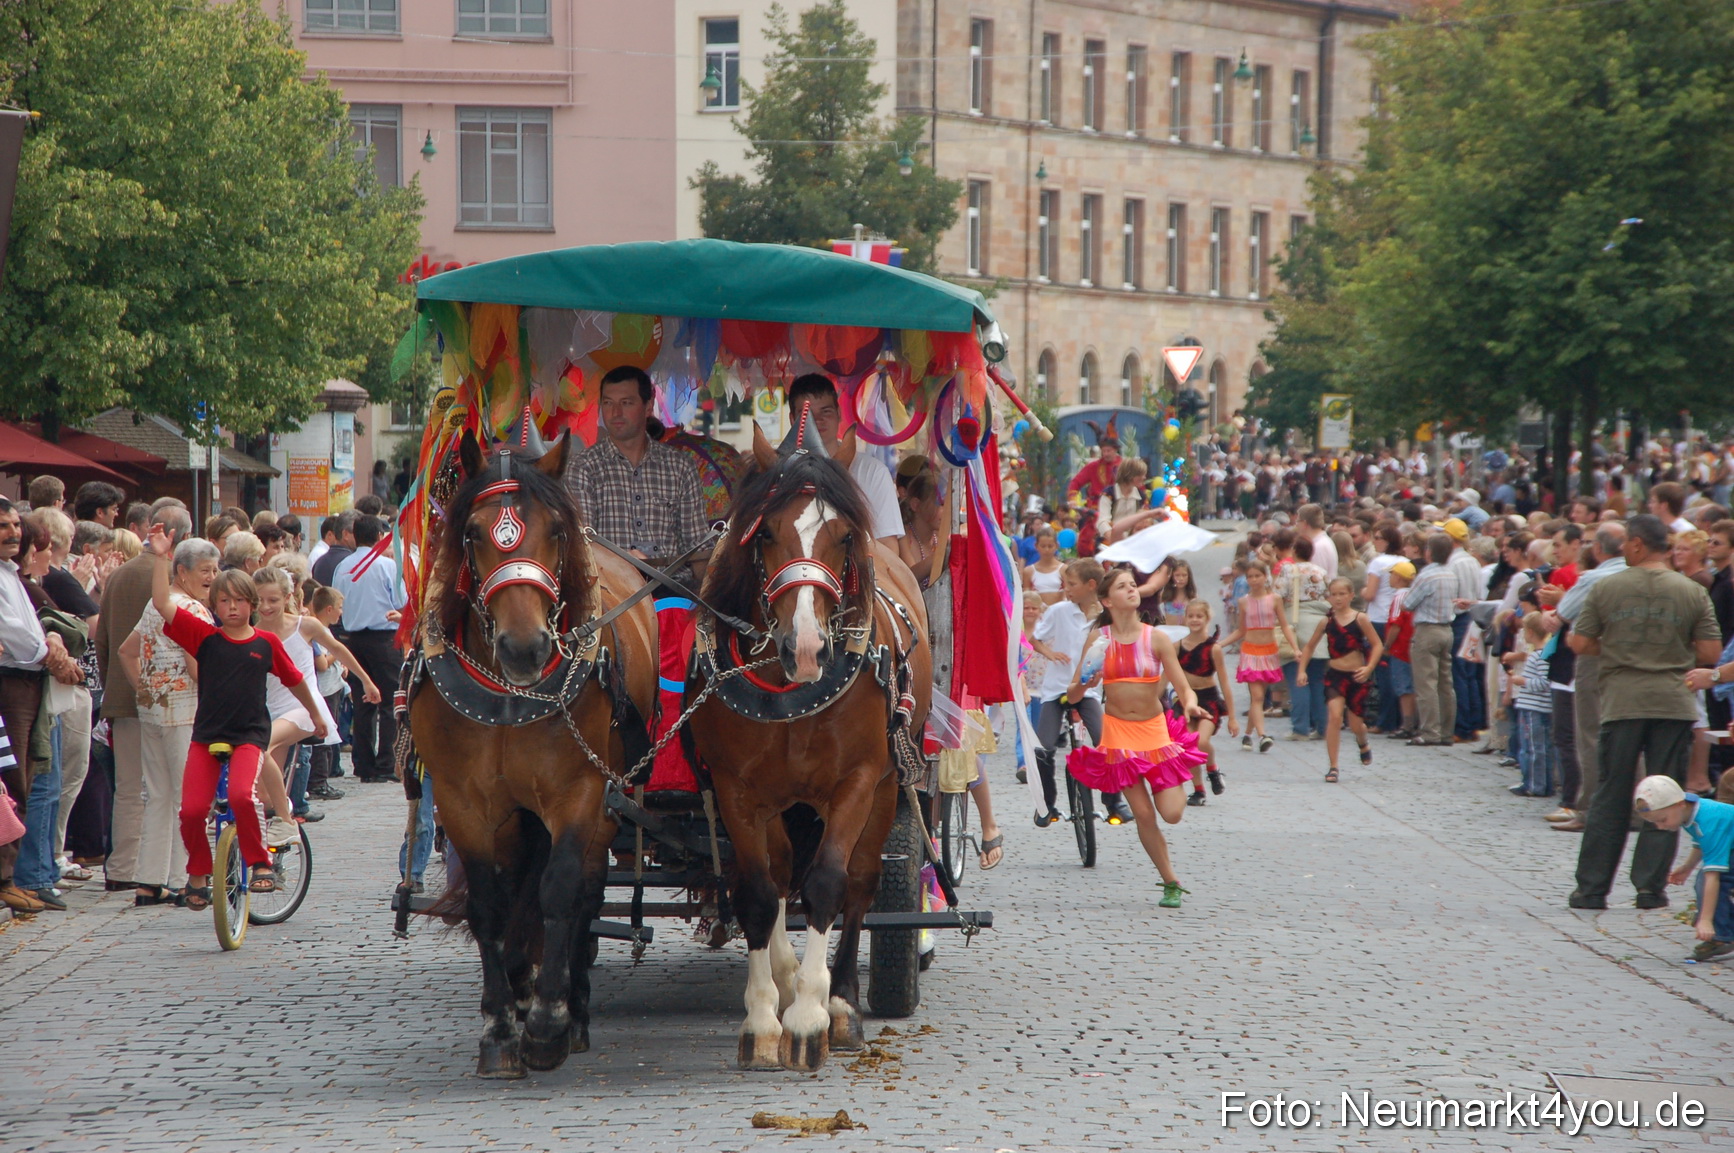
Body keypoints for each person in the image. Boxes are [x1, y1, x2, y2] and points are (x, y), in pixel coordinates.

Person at [142, 526, 325, 910]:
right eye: (223, 600)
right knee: (191, 810)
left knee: (243, 795)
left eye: (240, 601)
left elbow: (296, 681)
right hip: (207, 735)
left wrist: (315, 715)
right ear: (215, 604)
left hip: (249, 735)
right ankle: (198, 873)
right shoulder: (204, 637)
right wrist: (161, 557)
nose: (231, 608)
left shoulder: (266, 643)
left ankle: (260, 863)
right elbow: (161, 602)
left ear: (252, 604)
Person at [1568, 515, 1720, 911]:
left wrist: (1616, 649)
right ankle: (1651, 888)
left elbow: (1581, 641)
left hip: (1622, 701)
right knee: (1666, 794)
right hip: (1673, 701)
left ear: (1635, 544)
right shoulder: (1690, 590)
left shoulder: (1608, 587)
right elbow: (1710, 654)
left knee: (1612, 792)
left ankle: (1592, 889)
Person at [1066, 567, 1207, 909]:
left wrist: (1190, 705)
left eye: (1133, 585)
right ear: (1106, 599)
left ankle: (1170, 868)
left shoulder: (1156, 638)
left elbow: (1184, 688)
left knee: (1172, 813)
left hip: (1154, 732)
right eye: (1122, 587)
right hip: (1119, 735)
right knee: (1144, 815)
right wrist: (1087, 681)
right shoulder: (1099, 640)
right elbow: (1072, 695)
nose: (1131, 590)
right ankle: (1170, 881)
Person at [93, 500, 191, 895]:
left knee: (131, 787)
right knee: (169, 789)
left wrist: (115, 681)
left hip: (121, 691)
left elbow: (103, 641)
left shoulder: (118, 575)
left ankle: (122, 867)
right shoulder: (173, 579)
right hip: (169, 699)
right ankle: (168, 871)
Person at [117, 536, 218, 906]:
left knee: (158, 796)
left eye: (214, 570)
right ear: (182, 571)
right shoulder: (193, 609)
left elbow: (128, 652)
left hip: (154, 712)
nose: (212, 577)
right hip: (187, 713)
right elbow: (197, 668)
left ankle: (149, 880)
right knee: (187, 799)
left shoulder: (155, 605)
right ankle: (181, 880)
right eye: (205, 570)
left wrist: (145, 689)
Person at [251, 568, 377, 863]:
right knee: (261, 795)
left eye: (273, 600)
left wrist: (367, 681)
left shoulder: (304, 626)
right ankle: (264, 860)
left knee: (262, 746)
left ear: (287, 597)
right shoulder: (252, 631)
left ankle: (287, 818)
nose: (266, 607)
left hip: (306, 710)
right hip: (269, 712)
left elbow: (338, 649)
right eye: (260, 601)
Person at [0, 498, 81, 913]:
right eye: (3, 526)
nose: (13, 533)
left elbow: (34, 623)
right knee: (14, 778)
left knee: (27, 778)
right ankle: (9, 877)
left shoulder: (12, 574)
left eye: (15, 525)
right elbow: (12, 632)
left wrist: (51, 644)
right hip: (13, 680)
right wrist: (49, 653)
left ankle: (13, 877)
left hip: (30, 678)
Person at [1030, 560, 1129, 825]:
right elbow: (1035, 638)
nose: (1067, 588)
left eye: (1072, 584)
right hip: (1056, 689)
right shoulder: (1059, 611)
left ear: (1091, 586)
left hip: (1089, 691)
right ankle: (1046, 805)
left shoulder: (1106, 617)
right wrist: (1050, 653)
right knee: (1044, 748)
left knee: (1106, 742)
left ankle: (1114, 802)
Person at [784, 374, 904, 546]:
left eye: (826, 411)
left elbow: (889, 548)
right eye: (806, 414)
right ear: (792, 420)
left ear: (839, 414)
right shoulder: (780, 474)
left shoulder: (873, 472)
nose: (818, 420)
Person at [332, 515, 404, 784]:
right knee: (388, 703)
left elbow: (337, 600)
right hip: (384, 639)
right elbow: (401, 600)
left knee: (362, 701)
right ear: (378, 536)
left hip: (352, 639)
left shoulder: (343, 566)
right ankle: (386, 763)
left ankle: (363, 764)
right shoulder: (386, 565)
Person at [1637, 775, 1734, 961]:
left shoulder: (1709, 821)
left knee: (1708, 881)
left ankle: (1722, 936)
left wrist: (1705, 920)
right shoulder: (1691, 812)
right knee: (1705, 880)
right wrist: (1688, 866)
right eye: (1655, 822)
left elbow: (1713, 875)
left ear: (1679, 804)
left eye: (1662, 819)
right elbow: (1701, 842)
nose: (1660, 826)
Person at [1296, 578, 1384, 783]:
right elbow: (1309, 647)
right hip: (1335, 676)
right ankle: (1333, 766)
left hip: (1356, 676)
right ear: (1328, 597)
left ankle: (1362, 742)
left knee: (1356, 724)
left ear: (1351, 596)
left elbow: (1377, 644)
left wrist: (1369, 667)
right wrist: (1302, 670)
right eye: (1333, 594)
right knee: (1334, 717)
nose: (1338, 598)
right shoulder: (1326, 621)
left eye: (1342, 594)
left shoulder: (1360, 619)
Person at [1223, 561, 1299, 754]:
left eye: (1258, 575)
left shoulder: (1274, 599)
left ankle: (1248, 734)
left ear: (1265, 577)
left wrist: (1295, 648)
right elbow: (1241, 629)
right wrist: (1220, 644)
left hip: (1269, 651)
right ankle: (1262, 735)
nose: (1254, 580)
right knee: (1257, 697)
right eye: (1250, 576)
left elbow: (1284, 625)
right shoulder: (1243, 602)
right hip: (1250, 651)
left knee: (1256, 699)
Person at [1175, 600, 1236, 805]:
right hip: (1185, 700)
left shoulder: (1213, 648)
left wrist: (1232, 718)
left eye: (1199, 616)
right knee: (1188, 743)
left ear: (1207, 619)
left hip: (1208, 699)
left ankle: (1212, 770)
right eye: (1191, 616)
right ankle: (1199, 790)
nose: (1194, 620)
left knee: (1201, 741)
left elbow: (1225, 684)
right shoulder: (1177, 646)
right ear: (1185, 618)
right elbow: (1166, 677)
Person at [1405, 534, 1460, 747]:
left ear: (1429, 552)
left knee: (1426, 683)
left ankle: (1430, 732)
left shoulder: (1426, 575)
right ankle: (1446, 731)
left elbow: (1408, 603)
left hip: (1427, 629)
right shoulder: (1451, 574)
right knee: (1445, 684)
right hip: (1447, 629)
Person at [1511, 612, 1557, 799]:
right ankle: (1542, 784)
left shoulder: (1539, 656)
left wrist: (1522, 680)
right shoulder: (1542, 654)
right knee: (1541, 747)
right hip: (1537, 707)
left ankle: (1533, 784)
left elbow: (1544, 682)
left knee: (1533, 747)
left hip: (1535, 708)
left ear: (1529, 632)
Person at [310, 512, 356, 586]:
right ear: (346, 534)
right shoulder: (352, 561)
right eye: (356, 533)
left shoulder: (320, 561)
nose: (360, 536)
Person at [1022, 526, 1064, 606]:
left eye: (1050, 546)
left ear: (1057, 546)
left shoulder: (1063, 569)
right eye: (1043, 546)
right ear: (1036, 546)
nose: (1047, 550)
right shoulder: (1028, 571)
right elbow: (1026, 598)